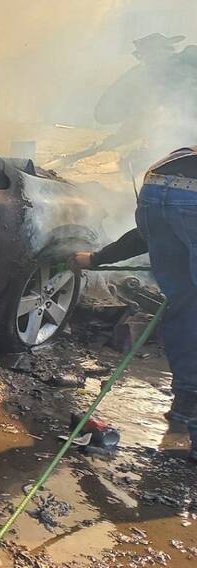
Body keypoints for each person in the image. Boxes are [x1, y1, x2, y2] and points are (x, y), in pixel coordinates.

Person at [72, 146, 197, 459]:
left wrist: (97, 259)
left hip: (156, 184)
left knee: (184, 307)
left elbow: (149, 232)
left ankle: (186, 410)